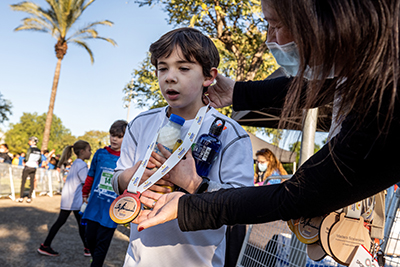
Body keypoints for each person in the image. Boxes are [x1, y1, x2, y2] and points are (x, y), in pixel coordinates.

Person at [132, 0, 400, 235]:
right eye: (163, 68)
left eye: (275, 24)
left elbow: (300, 195)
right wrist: (239, 92)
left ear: (331, 21)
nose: (269, 38)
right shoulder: (368, 64)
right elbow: (322, 85)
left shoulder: (387, 100)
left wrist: (190, 202)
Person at [111, 27, 254, 267]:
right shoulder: (140, 124)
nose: (170, 76)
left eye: (184, 68)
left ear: (209, 77)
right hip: (137, 259)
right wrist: (130, 176)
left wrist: (194, 183)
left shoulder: (232, 134)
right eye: (163, 68)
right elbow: (116, 179)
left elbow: (243, 207)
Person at [81, 120, 127, 267]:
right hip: (95, 204)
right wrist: (85, 192)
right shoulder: (100, 154)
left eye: (119, 136)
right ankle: (95, 260)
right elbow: (91, 174)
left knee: (103, 243)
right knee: (90, 238)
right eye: (112, 135)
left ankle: (96, 263)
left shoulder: (128, 159)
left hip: (111, 209)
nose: (114, 139)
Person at [38, 140, 91, 257]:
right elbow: (86, 182)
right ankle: (45, 246)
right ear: (82, 151)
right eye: (89, 150)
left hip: (70, 198)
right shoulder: (81, 165)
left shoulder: (76, 163)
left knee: (79, 223)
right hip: (74, 200)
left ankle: (87, 248)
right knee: (78, 223)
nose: (90, 153)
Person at [17, 137, 42, 203]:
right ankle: (29, 197)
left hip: (28, 166)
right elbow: (40, 160)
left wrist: (24, 161)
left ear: (33, 142)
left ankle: (21, 197)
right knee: (32, 182)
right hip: (34, 167)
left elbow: (27, 157)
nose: (29, 142)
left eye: (30, 141)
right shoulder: (39, 150)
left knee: (23, 182)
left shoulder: (30, 149)